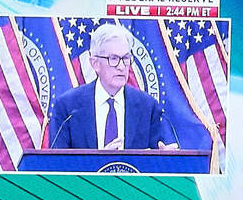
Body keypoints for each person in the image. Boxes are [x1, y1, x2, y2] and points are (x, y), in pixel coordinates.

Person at [47, 22, 175, 151]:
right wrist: (100, 160)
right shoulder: (67, 108)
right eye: (114, 59)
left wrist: (164, 157)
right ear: (95, 63)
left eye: (125, 58)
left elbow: (156, 155)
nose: (121, 66)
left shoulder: (148, 107)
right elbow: (56, 160)